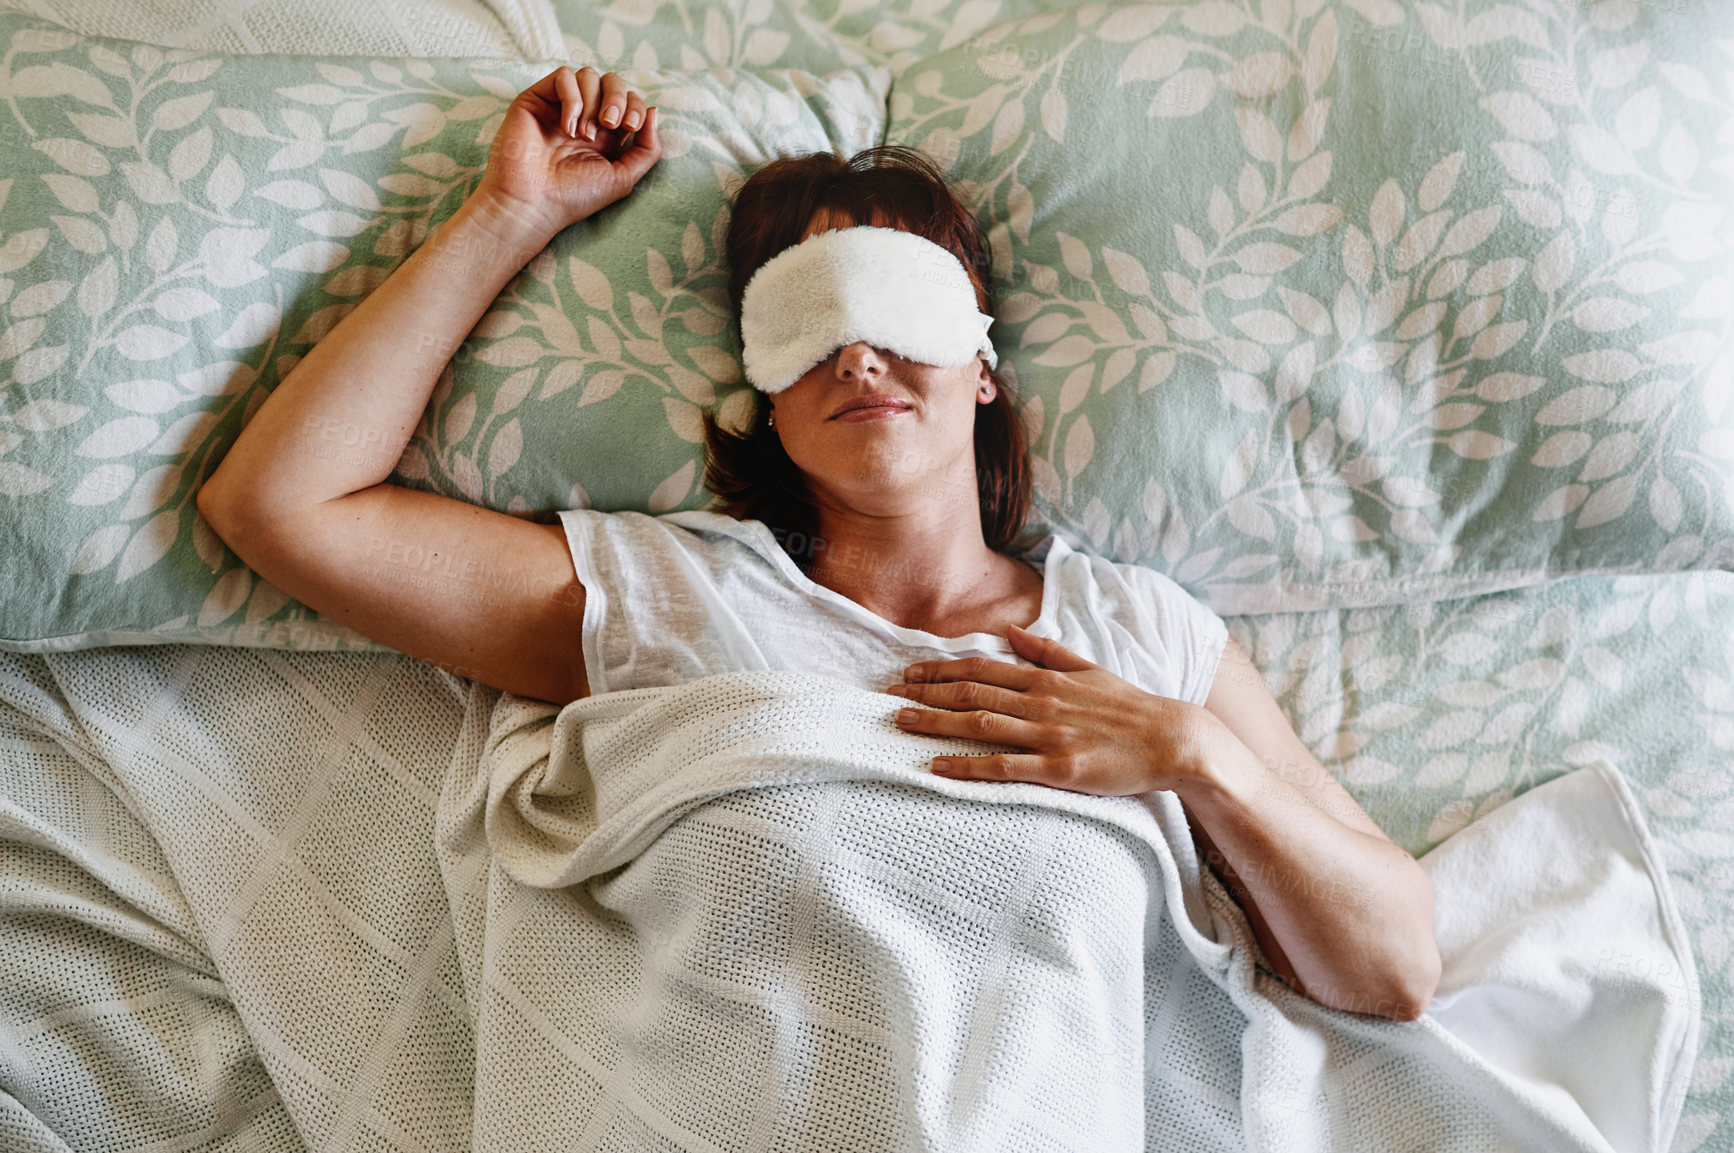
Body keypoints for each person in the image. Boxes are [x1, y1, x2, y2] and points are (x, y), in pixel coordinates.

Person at [197, 66, 1440, 1023]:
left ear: (984, 363)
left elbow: (1394, 966)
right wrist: (509, 213)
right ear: (765, 393)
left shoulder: (1138, 636)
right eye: (807, 314)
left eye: (899, 303)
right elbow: (279, 506)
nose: (858, 350)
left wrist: (1191, 756)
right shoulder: (672, 597)